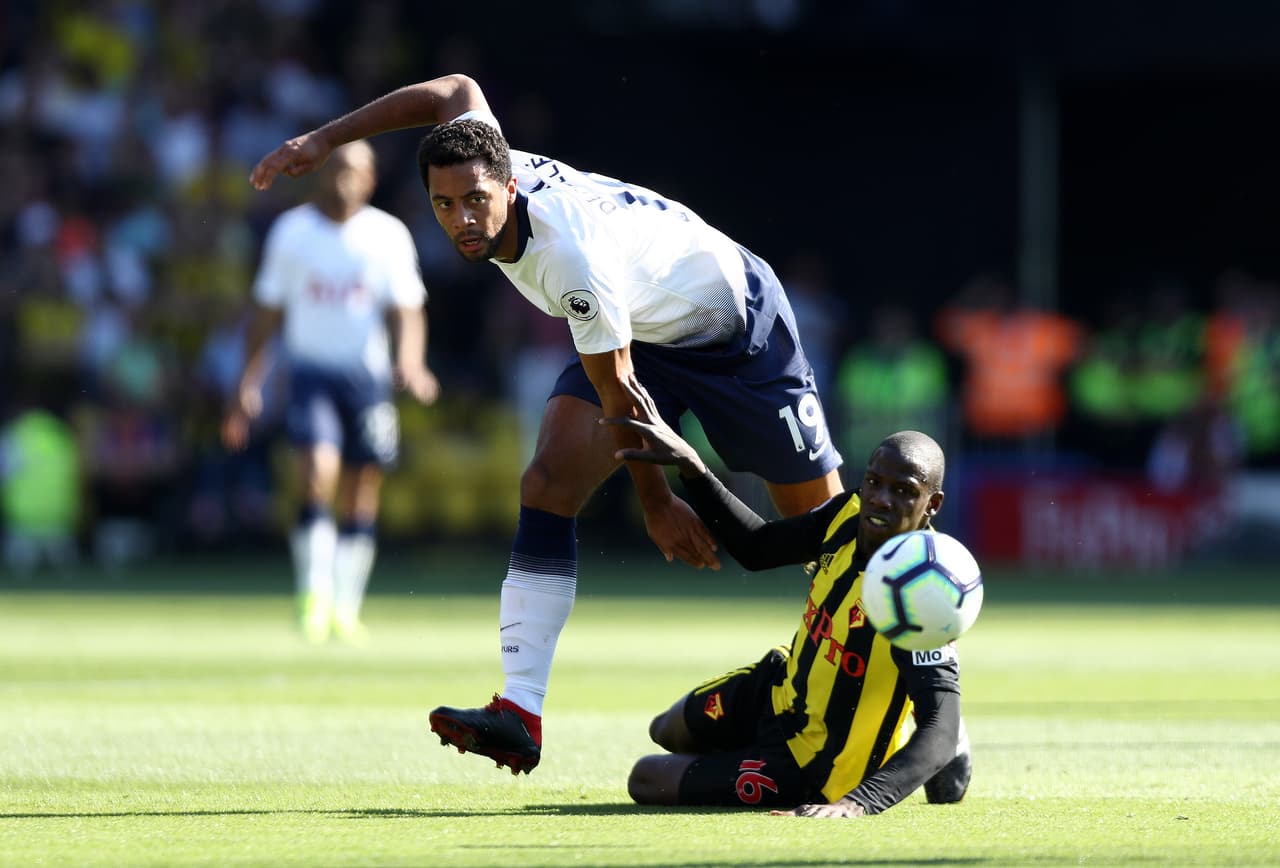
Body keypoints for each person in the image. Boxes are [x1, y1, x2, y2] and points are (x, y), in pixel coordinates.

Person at [249, 74, 844, 772]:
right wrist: (325, 138)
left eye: (476, 200)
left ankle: (919, 693)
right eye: (444, 205)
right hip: (643, 324)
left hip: (735, 329)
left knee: (830, 538)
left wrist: (656, 503)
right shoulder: (484, 151)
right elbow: (453, 88)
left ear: (508, 185)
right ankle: (520, 710)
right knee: (548, 480)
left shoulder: (570, 258)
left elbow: (621, 392)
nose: (463, 219)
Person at [606, 375, 970, 816]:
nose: (880, 499)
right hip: (782, 689)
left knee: (646, 778)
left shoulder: (923, 595)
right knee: (665, 729)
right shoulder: (847, 514)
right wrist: (693, 467)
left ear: (932, 505)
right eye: (875, 481)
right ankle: (746, 755)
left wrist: (858, 804)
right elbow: (758, 548)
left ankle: (898, 737)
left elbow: (940, 730)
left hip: (817, 764)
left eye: (903, 491)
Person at [223, 140, 439, 644]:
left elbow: (407, 308)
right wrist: (246, 383)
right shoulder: (293, 232)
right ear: (322, 173)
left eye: (356, 170)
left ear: (371, 179)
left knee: (363, 490)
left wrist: (411, 363)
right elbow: (267, 312)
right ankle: (312, 595)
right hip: (310, 373)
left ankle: (347, 605)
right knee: (316, 473)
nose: (345, 178)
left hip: (367, 380)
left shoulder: (387, 235)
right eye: (337, 167)